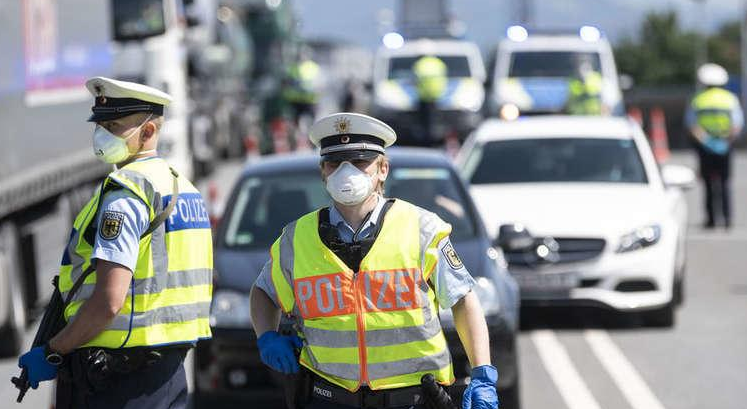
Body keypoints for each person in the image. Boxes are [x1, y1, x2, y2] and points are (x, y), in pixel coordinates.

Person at [249, 112, 498, 409]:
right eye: (335, 163)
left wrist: (482, 372)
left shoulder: (421, 229)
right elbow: (263, 291)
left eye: (358, 162)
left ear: (382, 169)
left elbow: (463, 300)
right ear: (323, 172)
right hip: (329, 397)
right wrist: (266, 335)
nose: (346, 171)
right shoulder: (295, 239)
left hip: (412, 399)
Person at [17, 77, 213, 408]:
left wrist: (52, 352)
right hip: (168, 372)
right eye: (101, 125)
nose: (102, 135)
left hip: (120, 380)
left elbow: (109, 301)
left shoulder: (125, 196)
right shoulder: (183, 189)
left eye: (114, 126)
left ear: (148, 132)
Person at [686, 63, 744, 229]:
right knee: (725, 182)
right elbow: (737, 124)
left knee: (708, 183)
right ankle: (727, 219)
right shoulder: (730, 99)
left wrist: (707, 142)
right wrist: (725, 142)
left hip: (705, 146)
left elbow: (692, 125)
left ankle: (711, 220)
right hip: (725, 144)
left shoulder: (697, 99)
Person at [413, 55, 448, 144]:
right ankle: (434, 139)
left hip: (424, 96)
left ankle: (427, 140)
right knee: (435, 121)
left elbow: (415, 79)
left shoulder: (420, 64)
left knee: (424, 122)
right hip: (437, 95)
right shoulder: (438, 63)